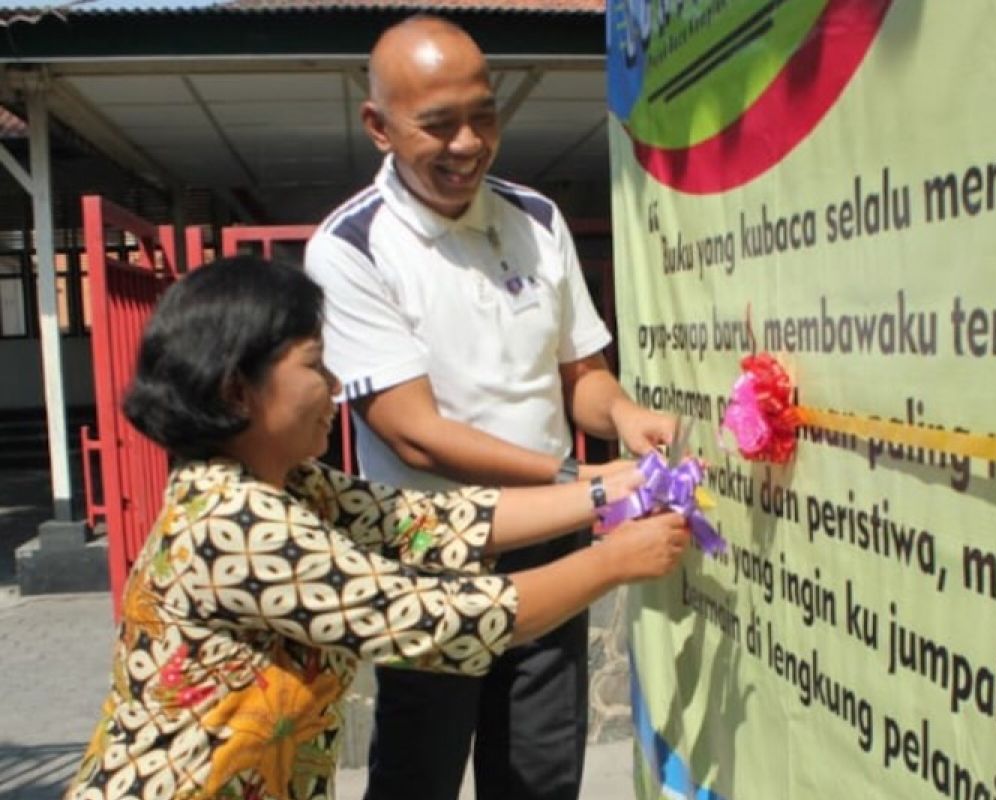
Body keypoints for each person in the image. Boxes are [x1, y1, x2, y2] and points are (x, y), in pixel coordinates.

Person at [64, 257, 688, 800]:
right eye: (314, 366)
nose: (336, 390)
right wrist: (613, 562)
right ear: (236, 391)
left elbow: (435, 522)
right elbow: (441, 617)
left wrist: (611, 489)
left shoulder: (288, 484)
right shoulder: (235, 522)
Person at [303, 15, 676, 800]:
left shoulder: (535, 220)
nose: (468, 143)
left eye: (484, 115)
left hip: (550, 539)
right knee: (420, 774)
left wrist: (625, 416)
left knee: (540, 774)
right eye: (438, 125)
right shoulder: (352, 248)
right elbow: (417, 438)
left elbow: (582, 374)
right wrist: (580, 475)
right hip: (431, 555)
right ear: (379, 126)